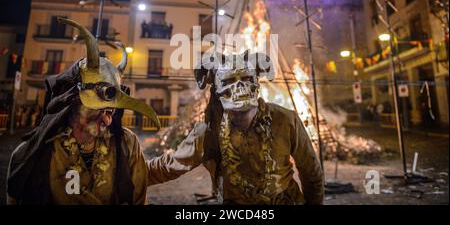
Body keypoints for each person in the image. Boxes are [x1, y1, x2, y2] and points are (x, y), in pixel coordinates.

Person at [6, 18, 161, 205]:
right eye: (98, 109)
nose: (107, 120)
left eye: (110, 112)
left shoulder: (127, 144)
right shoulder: (30, 154)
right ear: (72, 102)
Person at [148, 51, 324, 204]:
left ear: (257, 84)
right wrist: (127, 169)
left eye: (247, 79)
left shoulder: (285, 120)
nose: (239, 86)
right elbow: (169, 166)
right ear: (217, 90)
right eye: (229, 81)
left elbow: (311, 172)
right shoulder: (208, 133)